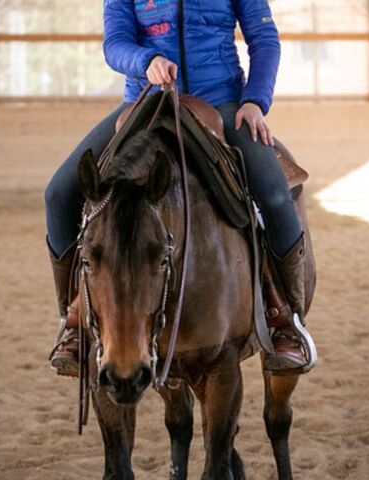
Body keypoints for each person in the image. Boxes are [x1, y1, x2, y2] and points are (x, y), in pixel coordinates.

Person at [45, 0, 312, 377]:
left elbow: (264, 38)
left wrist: (255, 101)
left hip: (221, 103)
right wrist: (145, 61)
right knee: (58, 194)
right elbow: (115, 43)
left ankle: (285, 320)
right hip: (145, 103)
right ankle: (74, 321)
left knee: (273, 194)